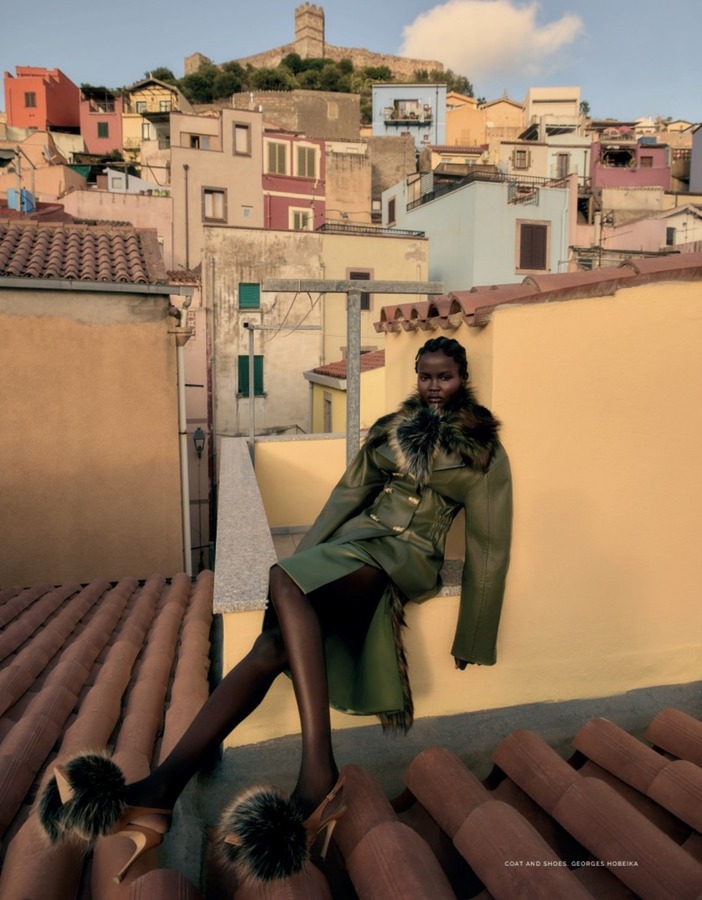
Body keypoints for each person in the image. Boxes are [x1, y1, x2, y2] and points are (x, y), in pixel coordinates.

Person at [37, 336, 512, 883]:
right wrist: (310, 563)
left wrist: (473, 635)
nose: (433, 387)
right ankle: (159, 793)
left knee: (282, 580)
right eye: (425, 376)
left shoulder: (484, 451)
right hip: (356, 543)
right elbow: (347, 496)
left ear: (462, 377)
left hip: (407, 555)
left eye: (444, 376)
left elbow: (490, 545)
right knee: (271, 643)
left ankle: (315, 773)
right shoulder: (391, 429)